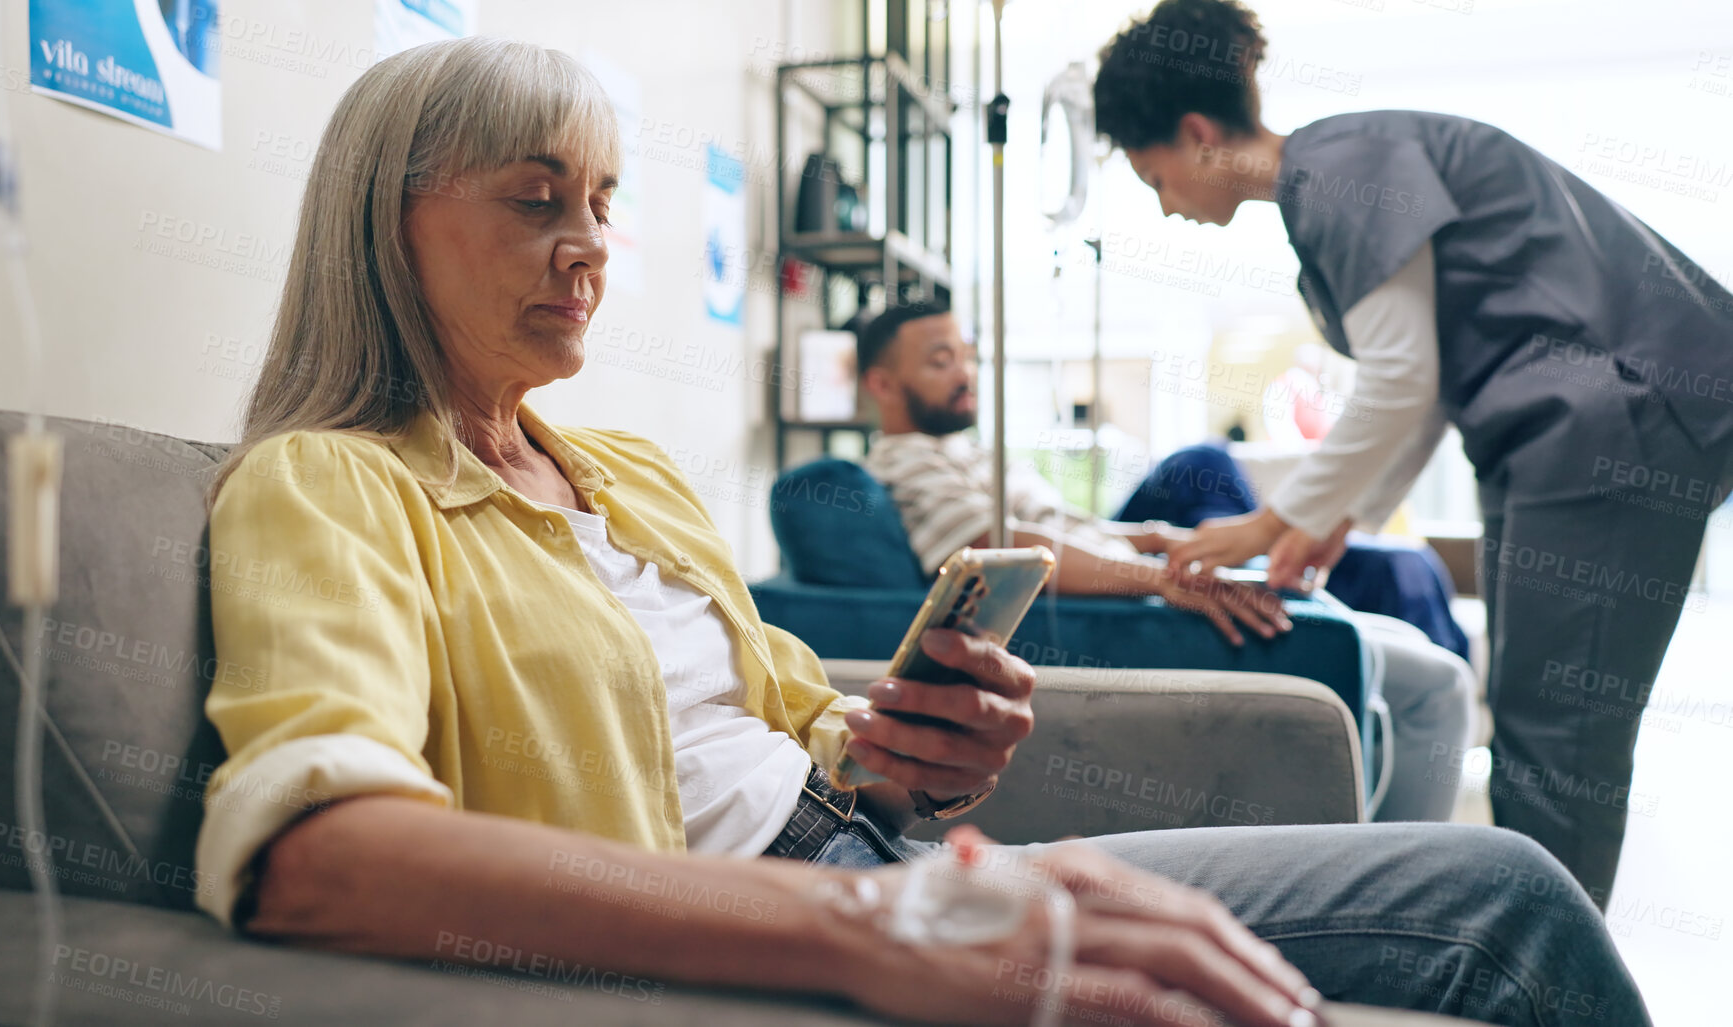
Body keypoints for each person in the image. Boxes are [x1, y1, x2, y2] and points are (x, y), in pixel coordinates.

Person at [193, 35, 1651, 1026]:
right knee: (1494, 914)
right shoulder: (328, 483)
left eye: (599, 203)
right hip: (769, 933)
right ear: (387, 225)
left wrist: (905, 758)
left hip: (878, 863)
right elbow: (316, 853)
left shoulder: (621, 472)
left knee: (1498, 880)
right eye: (532, 201)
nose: (585, 246)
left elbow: (789, 731)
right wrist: (872, 930)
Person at [1092, 0, 1733, 908]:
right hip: (1568, 426)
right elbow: (1422, 385)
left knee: (1556, 744)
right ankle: (1532, 968)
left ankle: (1547, 988)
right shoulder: (1337, 177)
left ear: (1196, 135)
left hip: (1608, 415)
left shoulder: (1339, 170)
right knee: (1535, 730)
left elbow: (1399, 377)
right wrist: (1330, 525)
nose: (1164, 203)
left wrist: (1272, 522)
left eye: (1153, 176)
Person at [856, 301, 1474, 822]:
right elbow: (998, 548)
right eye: (941, 363)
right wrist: (1158, 579)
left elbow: (1059, 527)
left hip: (1134, 574)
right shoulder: (906, 461)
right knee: (1437, 683)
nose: (965, 374)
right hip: (1127, 606)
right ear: (880, 385)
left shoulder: (967, 453)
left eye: (966, 356)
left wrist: (1158, 541)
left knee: (1411, 634)